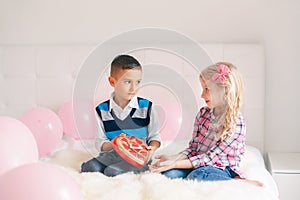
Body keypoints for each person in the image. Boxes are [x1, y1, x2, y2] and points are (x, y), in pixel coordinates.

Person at [149, 62, 247, 181]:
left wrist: (175, 164)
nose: (202, 95)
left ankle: (236, 180)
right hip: (197, 162)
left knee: (198, 176)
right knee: (169, 175)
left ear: (225, 91)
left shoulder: (235, 123)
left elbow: (210, 158)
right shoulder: (203, 114)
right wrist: (173, 159)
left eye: (207, 89)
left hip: (220, 167)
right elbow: (193, 149)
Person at [81, 54, 161, 177]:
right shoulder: (102, 110)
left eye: (138, 82)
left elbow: (155, 137)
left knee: (111, 172)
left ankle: (138, 169)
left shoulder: (147, 107)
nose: (133, 88)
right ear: (112, 81)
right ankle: (110, 166)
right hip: (112, 154)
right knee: (89, 167)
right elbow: (100, 144)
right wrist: (115, 143)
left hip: (137, 157)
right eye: (127, 82)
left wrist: (152, 148)